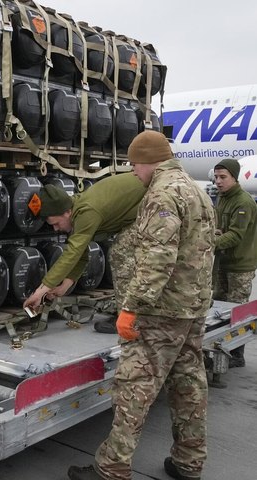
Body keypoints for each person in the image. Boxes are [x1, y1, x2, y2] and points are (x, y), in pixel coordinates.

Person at [68, 130, 215, 480]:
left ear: (149, 161)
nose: (133, 172)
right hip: (192, 307)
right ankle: (188, 462)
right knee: (189, 385)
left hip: (160, 310)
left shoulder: (162, 193)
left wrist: (131, 306)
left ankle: (112, 469)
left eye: (134, 165)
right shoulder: (197, 189)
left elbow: (157, 257)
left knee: (135, 386)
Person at [22, 173, 147, 334]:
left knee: (120, 253)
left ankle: (130, 318)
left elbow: (72, 253)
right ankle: (131, 312)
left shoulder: (86, 212)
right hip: (141, 209)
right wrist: (63, 287)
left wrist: (41, 291)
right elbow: (81, 253)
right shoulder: (77, 211)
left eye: (56, 223)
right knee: (121, 249)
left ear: (67, 212)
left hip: (155, 203)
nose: (56, 229)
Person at [211, 158, 257, 368]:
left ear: (234, 177)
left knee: (237, 313)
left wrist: (209, 243)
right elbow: (223, 227)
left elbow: (236, 235)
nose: (218, 182)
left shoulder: (243, 202)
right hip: (223, 262)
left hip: (240, 266)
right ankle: (220, 349)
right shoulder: (223, 197)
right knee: (219, 310)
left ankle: (236, 355)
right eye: (216, 177)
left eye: (223, 177)